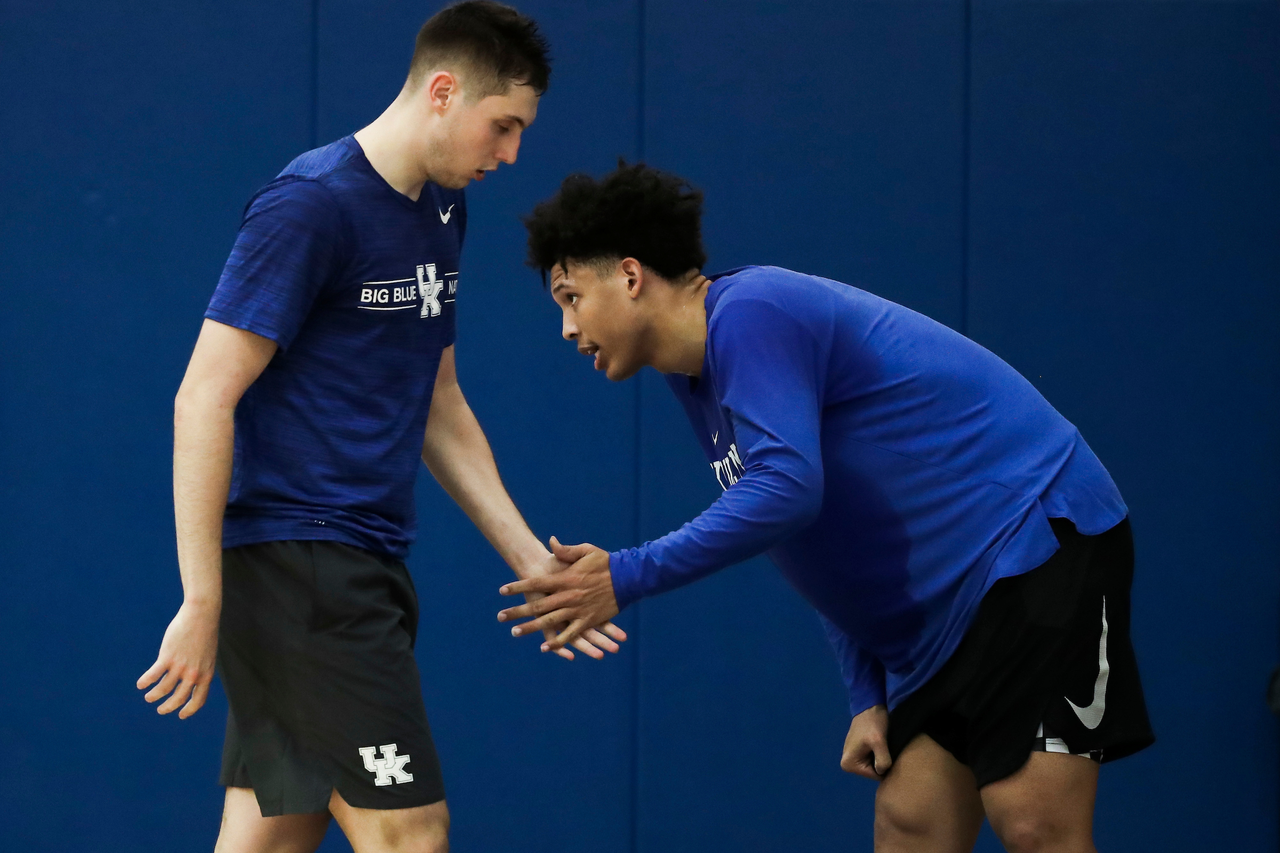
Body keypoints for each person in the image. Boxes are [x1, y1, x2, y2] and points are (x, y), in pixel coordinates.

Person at [498, 163, 1154, 852]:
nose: (568, 327)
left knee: (1034, 825)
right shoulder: (692, 377)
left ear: (630, 275)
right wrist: (865, 692)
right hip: (939, 619)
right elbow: (810, 529)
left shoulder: (752, 312)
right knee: (911, 824)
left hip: (1034, 540)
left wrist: (624, 574)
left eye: (571, 296)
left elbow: (786, 490)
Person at [135, 5, 624, 852]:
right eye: (502, 126)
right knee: (410, 832)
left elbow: (438, 402)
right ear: (442, 91)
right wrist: (201, 598)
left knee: (273, 832)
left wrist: (534, 563)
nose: (510, 154)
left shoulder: (442, 212)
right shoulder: (309, 206)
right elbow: (202, 397)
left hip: (365, 561)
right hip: (304, 572)